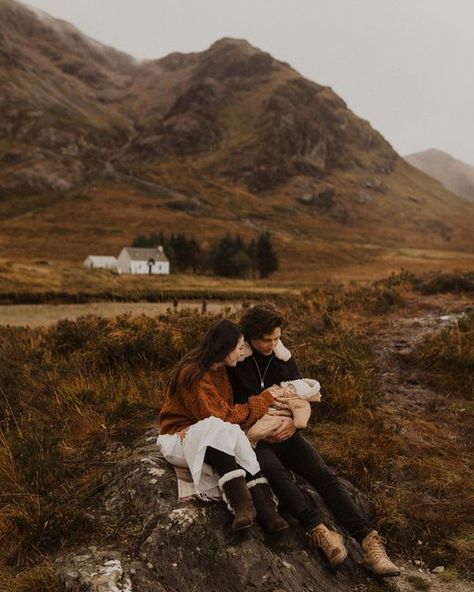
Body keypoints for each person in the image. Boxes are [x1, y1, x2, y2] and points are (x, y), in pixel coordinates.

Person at [227, 303, 400, 577]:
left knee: (322, 474)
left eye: (276, 338)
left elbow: (302, 394)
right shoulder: (236, 360)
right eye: (265, 340)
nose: (272, 345)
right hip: (253, 438)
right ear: (249, 337)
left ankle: (369, 542)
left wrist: (291, 425)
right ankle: (321, 532)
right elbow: (230, 408)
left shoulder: (283, 358)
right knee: (273, 471)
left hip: (286, 430)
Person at [158, 319, 288, 533]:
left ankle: (265, 508)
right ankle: (241, 505)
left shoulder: (219, 369)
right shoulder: (192, 375)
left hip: (209, 437)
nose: (241, 353)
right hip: (179, 438)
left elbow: (225, 418)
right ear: (225, 349)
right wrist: (262, 401)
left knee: (230, 431)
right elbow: (220, 416)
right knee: (220, 426)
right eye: (238, 348)